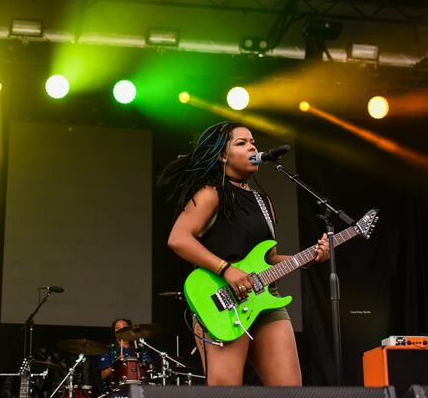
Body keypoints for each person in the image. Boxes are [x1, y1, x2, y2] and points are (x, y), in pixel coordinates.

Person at [157, 121, 329, 386]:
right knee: (227, 391)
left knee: (291, 390)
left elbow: (269, 258)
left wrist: (309, 258)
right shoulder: (211, 194)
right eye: (242, 143)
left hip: (265, 300)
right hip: (222, 302)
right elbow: (178, 239)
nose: (252, 146)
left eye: (253, 142)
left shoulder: (264, 201)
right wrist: (227, 270)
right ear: (222, 155)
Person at [98, 318, 154, 390]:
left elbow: (151, 368)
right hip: (114, 390)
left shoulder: (139, 348)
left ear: (130, 330)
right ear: (114, 332)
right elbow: (103, 376)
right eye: (117, 328)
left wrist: (143, 365)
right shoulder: (108, 350)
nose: (121, 330)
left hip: (139, 388)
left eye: (124, 328)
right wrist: (116, 364)